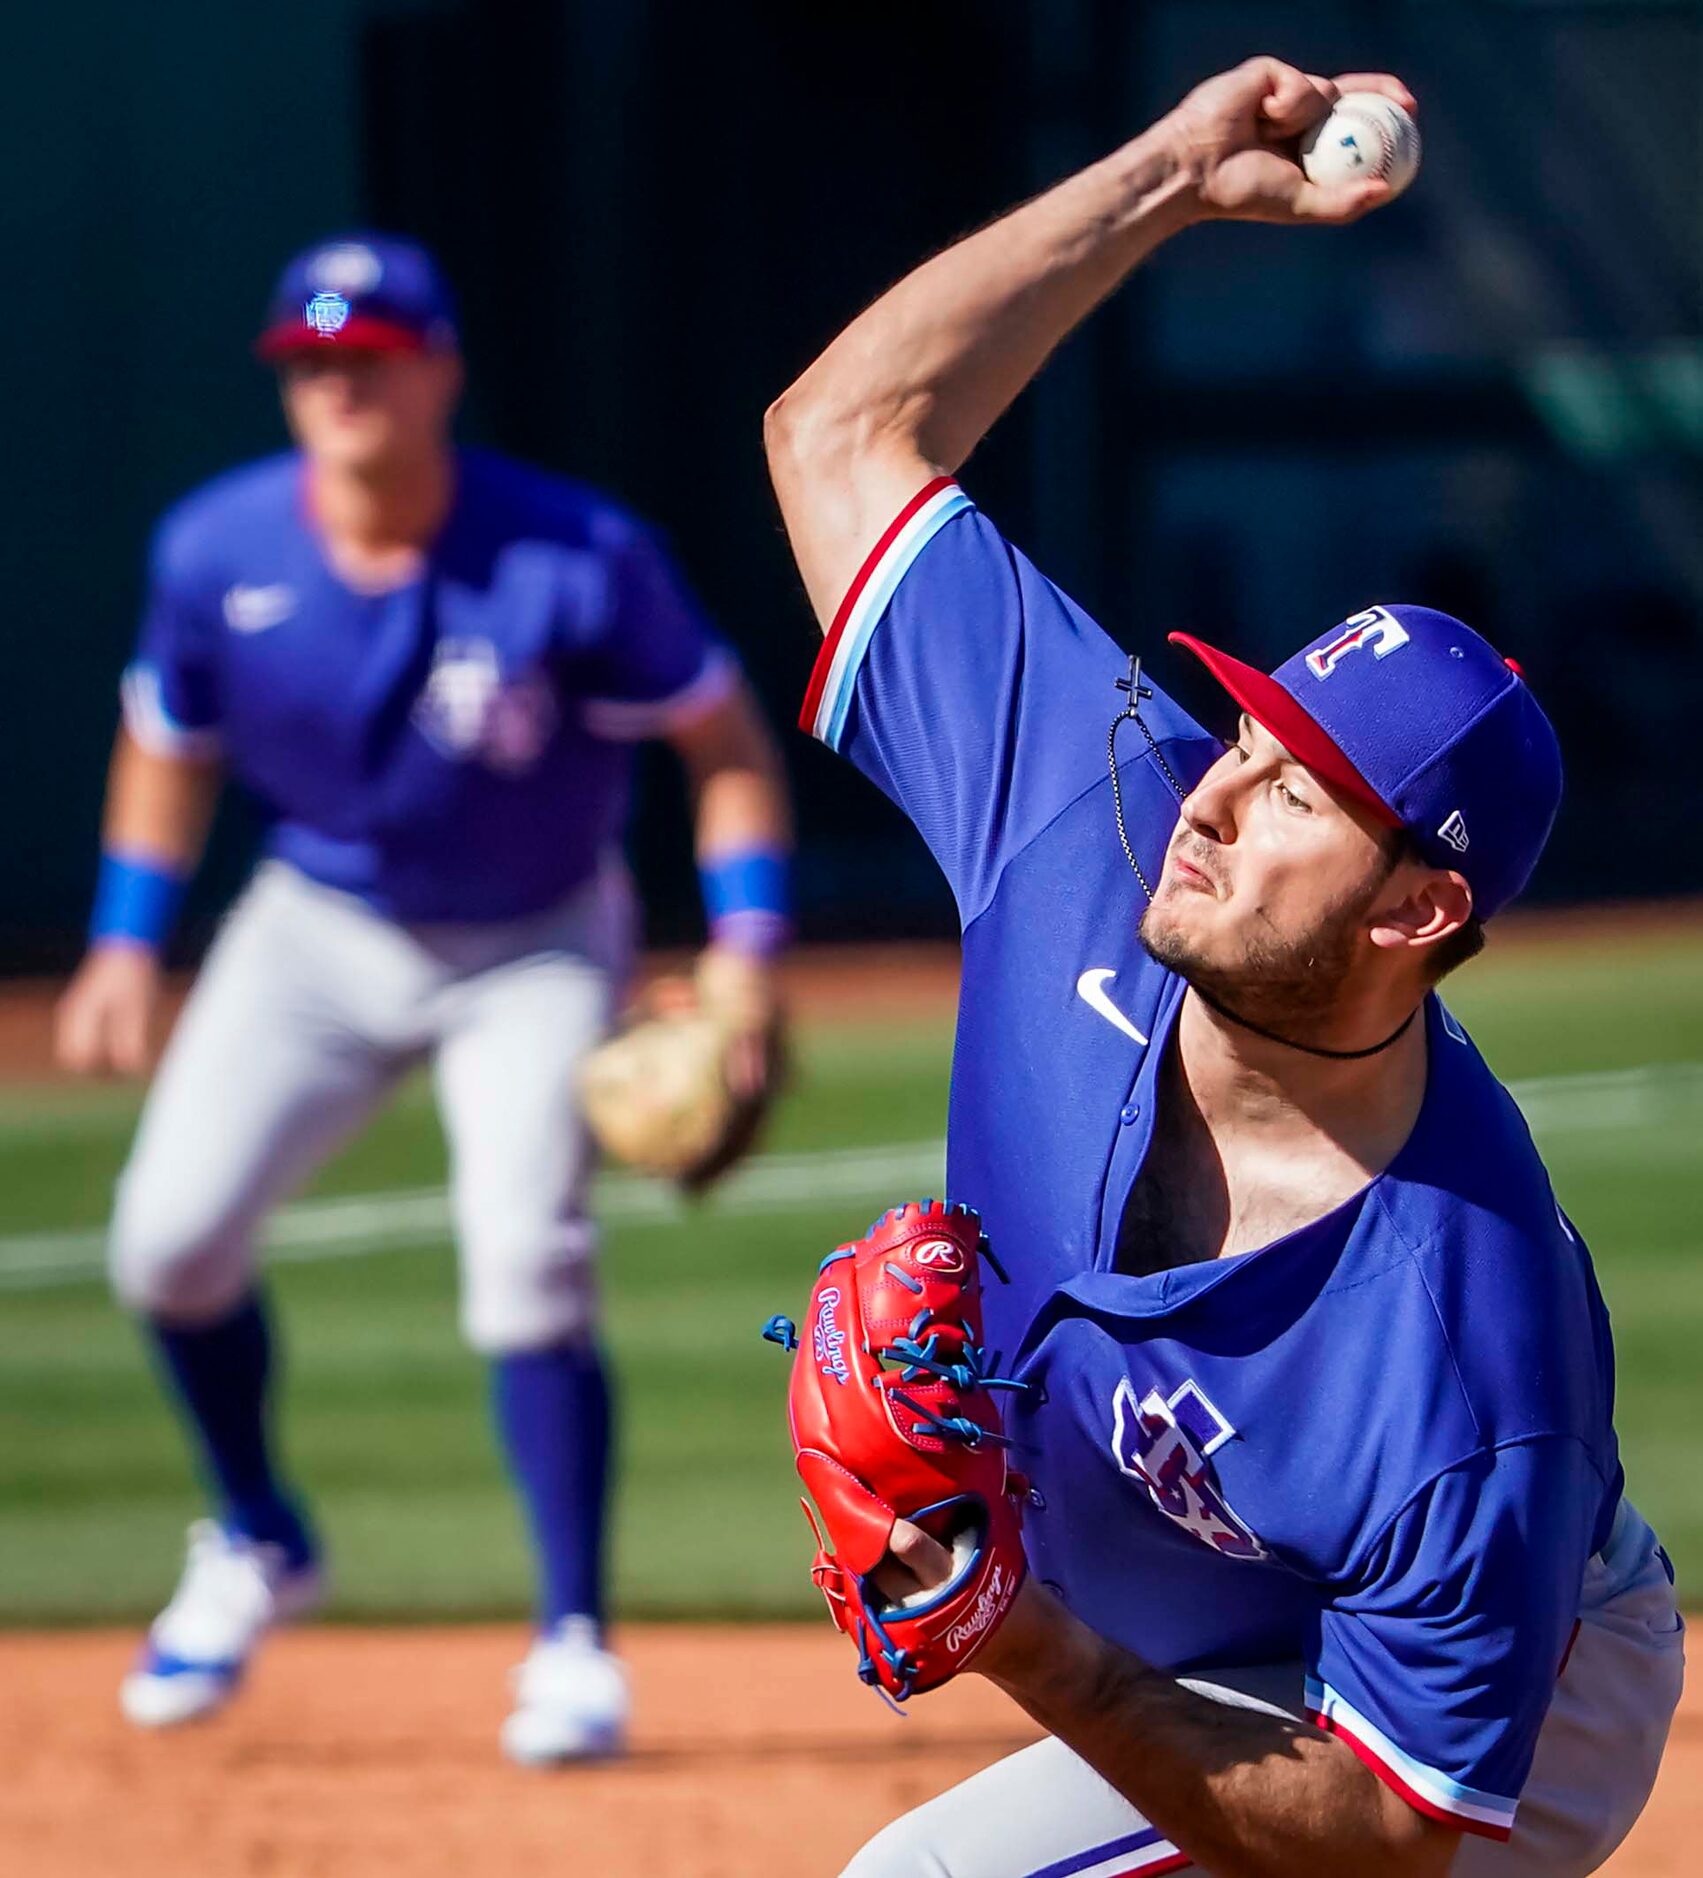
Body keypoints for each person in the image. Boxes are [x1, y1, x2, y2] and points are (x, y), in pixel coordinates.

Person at [764, 57, 1681, 1877]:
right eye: (1249, 737)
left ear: (1417, 910)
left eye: (1300, 794)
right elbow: (840, 431)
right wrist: (1170, 178)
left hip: (1474, 1726)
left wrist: (1006, 1620)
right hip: (1216, 1629)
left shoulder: (1459, 1349)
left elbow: (1372, 1836)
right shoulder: (1091, 813)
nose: (1220, 800)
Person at [55, 232, 793, 1764]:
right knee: (165, 1243)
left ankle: (574, 1640)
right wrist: (128, 939)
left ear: (440, 368)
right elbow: (166, 741)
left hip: (533, 937)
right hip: (317, 925)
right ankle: (257, 1534)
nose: (338, 382)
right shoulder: (216, 550)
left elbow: (723, 751)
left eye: (371, 355)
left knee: (526, 1259)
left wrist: (747, 960)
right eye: (312, 360)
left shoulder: (574, 554)